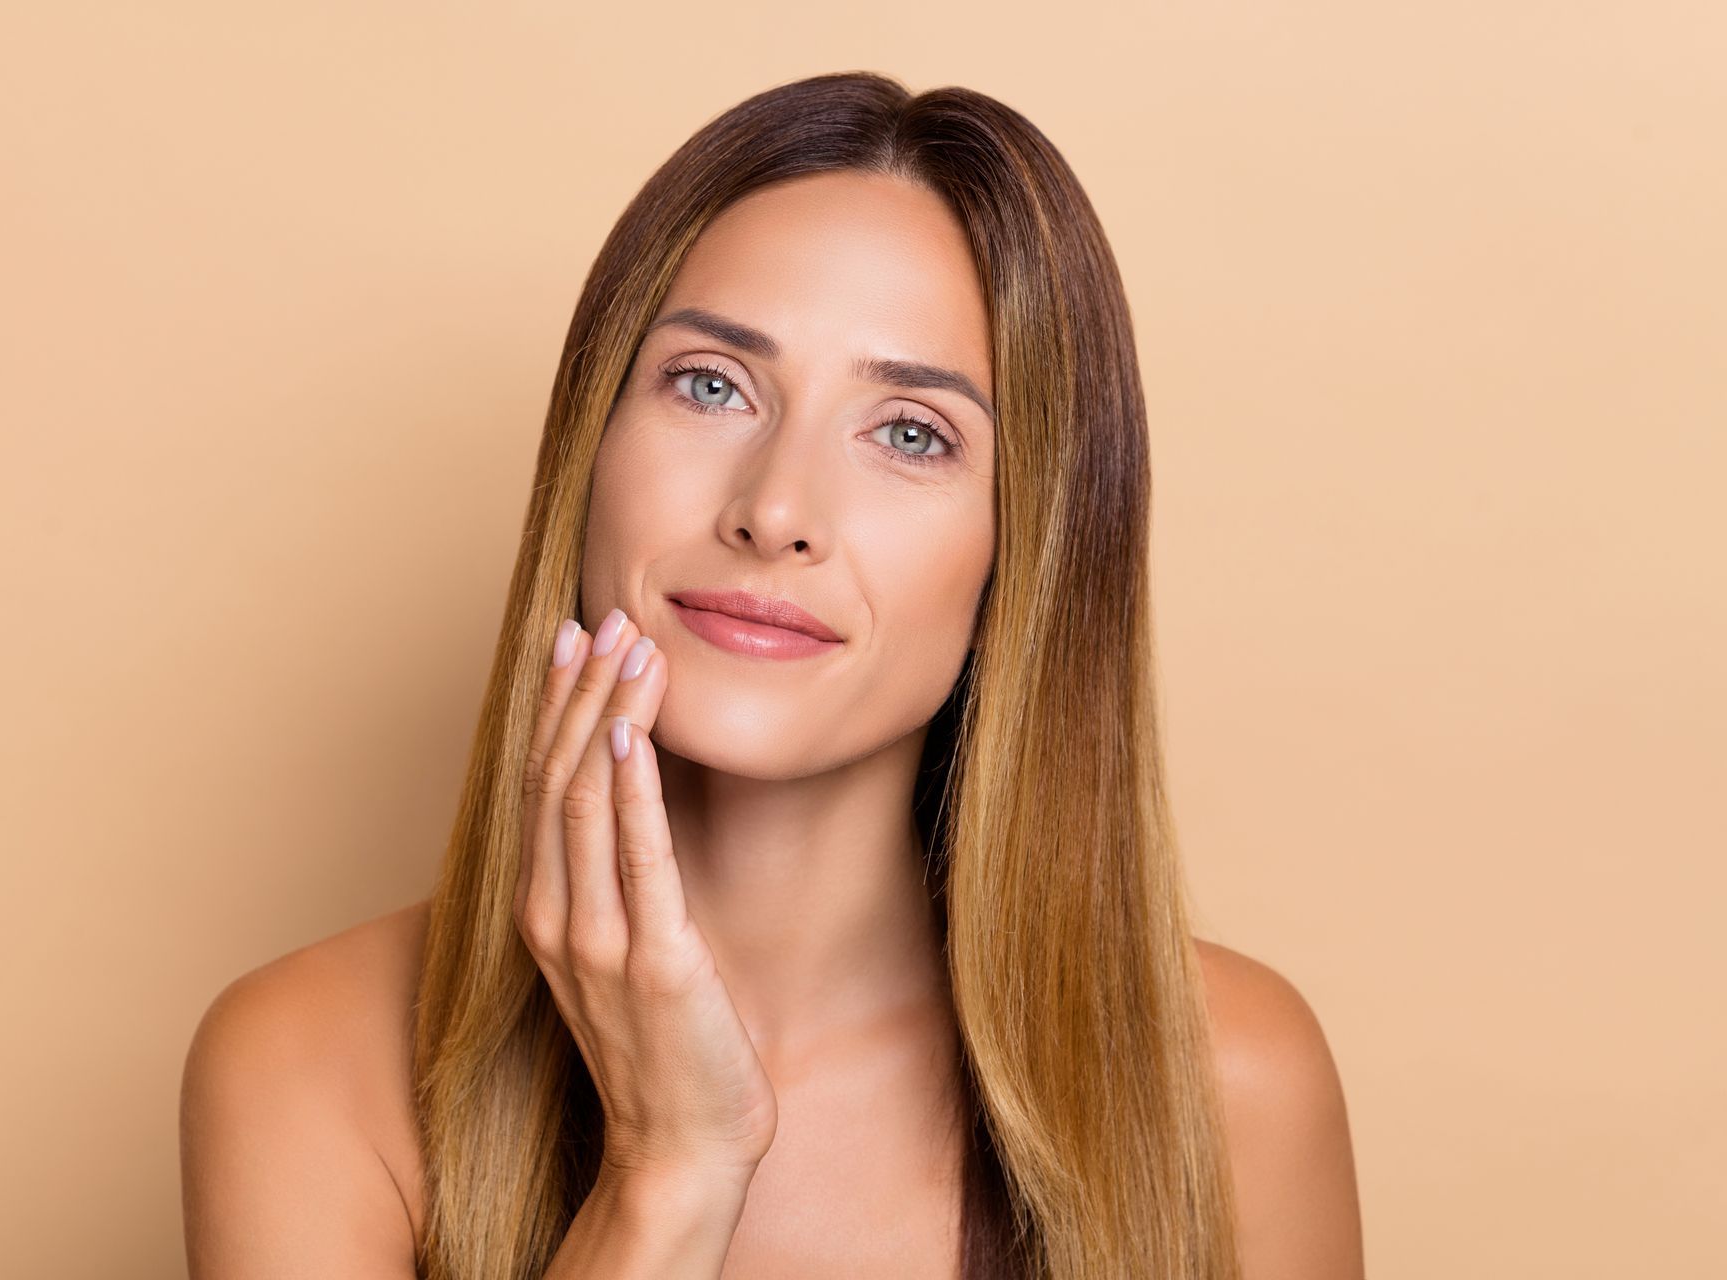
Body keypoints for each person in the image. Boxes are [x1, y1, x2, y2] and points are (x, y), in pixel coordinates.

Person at [179, 71, 1363, 1279]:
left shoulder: (1229, 1087)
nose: (776, 509)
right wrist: (666, 1171)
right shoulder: (310, 1061)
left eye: (911, 431)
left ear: (1027, 550)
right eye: (711, 384)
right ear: (589, 449)